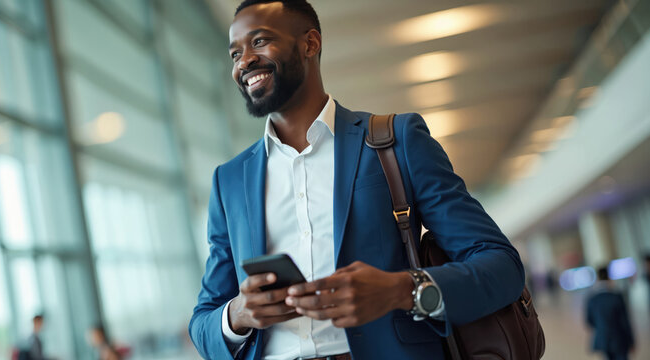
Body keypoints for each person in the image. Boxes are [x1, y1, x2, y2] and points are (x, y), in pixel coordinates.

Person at [188, 1, 525, 359]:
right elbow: (203, 320)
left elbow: (502, 266)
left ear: (310, 43)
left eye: (259, 42)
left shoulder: (396, 141)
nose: (244, 62)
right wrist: (237, 315)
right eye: (235, 53)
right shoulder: (230, 181)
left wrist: (400, 290)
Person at [585, 267, 634, 360]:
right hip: (620, 339)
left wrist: (602, 328)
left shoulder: (593, 299)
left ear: (598, 278)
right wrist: (631, 341)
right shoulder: (617, 297)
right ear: (609, 277)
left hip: (603, 339)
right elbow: (625, 321)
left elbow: (589, 320)